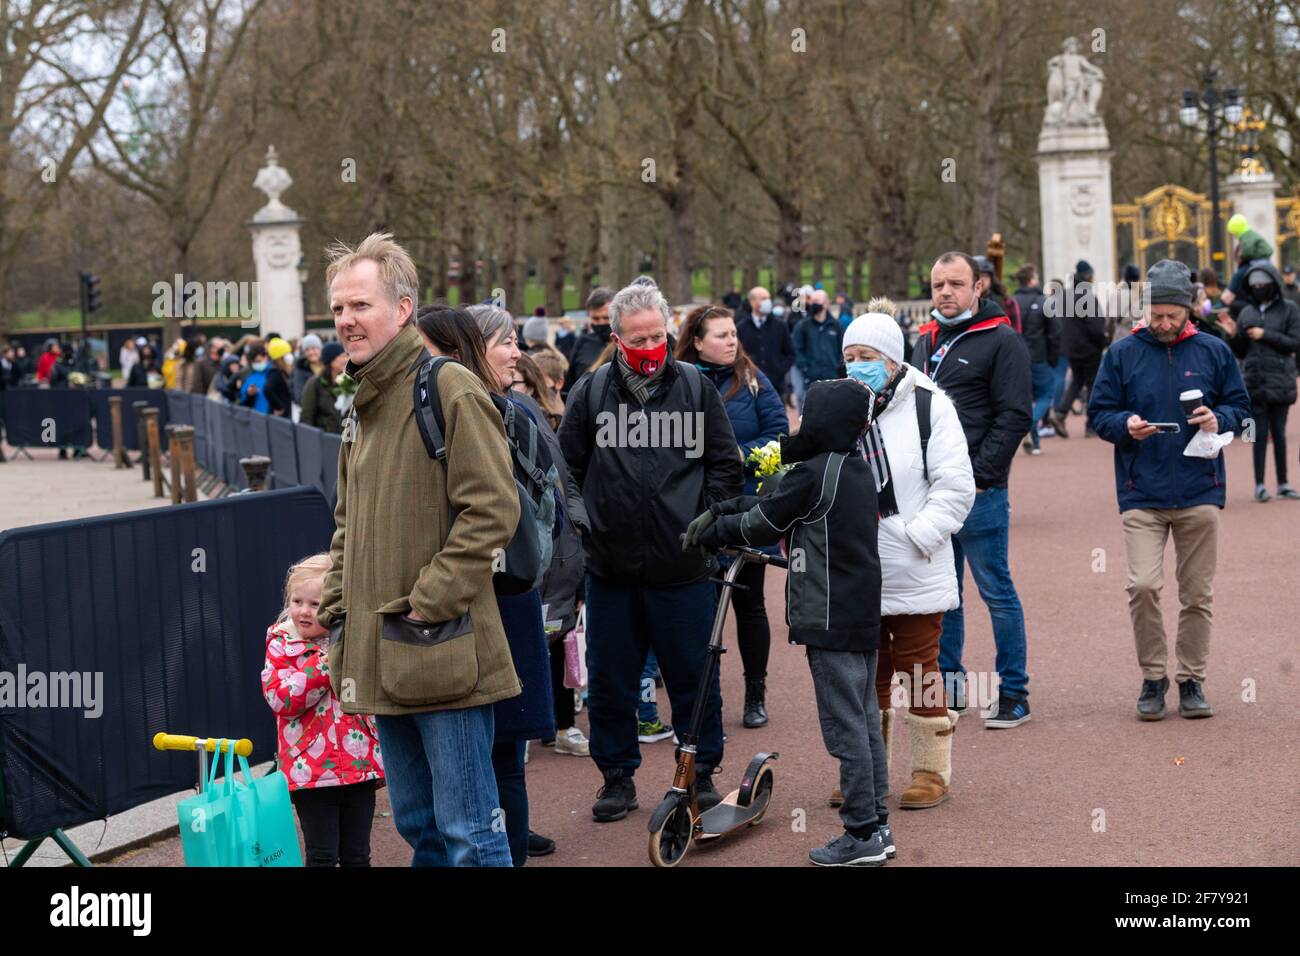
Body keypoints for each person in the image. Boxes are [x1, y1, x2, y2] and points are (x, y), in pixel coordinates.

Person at [316, 233, 521, 867]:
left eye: (361, 305)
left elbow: (492, 509)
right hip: (382, 649)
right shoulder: (363, 401)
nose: (347, 320)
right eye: (338, 309)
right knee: (417, 827)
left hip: (442, 645)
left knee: (469, 833)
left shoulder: (449, 385)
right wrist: (335, 607)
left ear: (403, 309)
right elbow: (348, 520)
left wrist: (428, 603)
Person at [558, 277, 743, 823]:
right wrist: (583, 523)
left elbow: (725, 463)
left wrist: (707, 524)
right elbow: (566, 468)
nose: (648, 349)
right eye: (636, 341)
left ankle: (700, 771)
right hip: (612, 569)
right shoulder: (590, 393)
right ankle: (616, 778)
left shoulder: (694, 386)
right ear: (615, 340)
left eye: (657, 337)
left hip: (682, 567)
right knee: (611, 678)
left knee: (694, 675)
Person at [686, 379, 893, 866]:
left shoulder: (818, 472)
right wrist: (724, 507)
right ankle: (877, 824)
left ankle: (861, 831)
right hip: (861, 612)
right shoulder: (855, 469)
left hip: (828, 615)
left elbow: (766, 519)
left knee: (845, 727)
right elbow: (778, 495)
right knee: (864, 722)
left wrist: (713, 531)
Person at [1087, 259, 1251, 720]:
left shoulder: (1214, 351)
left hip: (1201, 489)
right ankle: (1154, 676)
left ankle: (1192, 679)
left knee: (1197, 593)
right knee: (1142, 586)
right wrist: (1126, 425)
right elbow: (1100, 414)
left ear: (1189, 310)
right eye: (1155, 315)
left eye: (1171, 316)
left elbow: (1241, 407)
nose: (1162, 323)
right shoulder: (1121, 354)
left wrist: (1222, 419)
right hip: (1142, 490)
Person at [840, 303, 974, 808]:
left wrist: (917, 537)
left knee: (919, 666)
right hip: (856, 565)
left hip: (916, 562)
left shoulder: (930, 406)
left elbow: (956, 486)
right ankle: (866, 771)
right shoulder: (838, 405)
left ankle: (930, 773)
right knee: (864, 670)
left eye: (867, 356)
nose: (856, 366)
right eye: (849, 356)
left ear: (893, 360)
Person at [454, 302, 560, 864]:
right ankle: (506, 839)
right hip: (499, 592)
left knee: (501, 745)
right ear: (475, 348)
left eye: (517, 339)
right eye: (505, 341)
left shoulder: (511, 410)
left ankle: (509, 846)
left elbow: (545, 503)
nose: (517, 351)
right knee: (491, 747)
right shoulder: (481, 407)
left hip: (504, 592)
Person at [912, 251, 1033, 727]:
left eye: (956, 283)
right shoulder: (923, 341)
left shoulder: (1003, 340)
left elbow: (1014, 416)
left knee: (996, 591)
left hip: (980, 492)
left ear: (978, 287)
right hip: (931, 492)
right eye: (938, 283)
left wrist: (978, 475)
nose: (945, 291)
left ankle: (1014, 694)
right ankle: (952, 689)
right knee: (946, 593)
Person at [675, 304, 787, 728]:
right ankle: (706, 694)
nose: (731, 342)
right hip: (694, 511)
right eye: (720, 336)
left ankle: (755, 691)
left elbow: (778, 433)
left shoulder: (755, 382)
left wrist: (739, 455)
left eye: (733, 334)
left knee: (749, 604)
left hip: (744, 509)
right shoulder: (677, 381)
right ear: (698, 342)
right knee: (698, 609)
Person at [261, 553, 383, 866]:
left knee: (358, 854)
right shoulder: (281, 643)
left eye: (314, 604)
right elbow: (281, 699)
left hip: (359, 763)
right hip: (310, 771)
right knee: (322, 854)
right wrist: (325, 663)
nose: (303, 611)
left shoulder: (352, 638)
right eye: (296, 600)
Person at [1228, 261, 1300, 501]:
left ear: (1273, 284)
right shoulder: (1246, 312)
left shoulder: (1289, 309)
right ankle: (1259, 484)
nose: (1259, 288)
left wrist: (1264, 334)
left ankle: (1283, 482)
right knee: (1258, 434)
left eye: (1263, 284)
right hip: (1255, 381)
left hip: (1280, 379)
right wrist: (1233, 335)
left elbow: (1294, 342)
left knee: (1279, 432)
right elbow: (1240, 351)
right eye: (1254, 285)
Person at [1012, 264, 1059, 455]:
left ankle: (1036, 443)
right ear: (1032, 279)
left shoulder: (1012, 302)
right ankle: (1031, 425)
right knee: (1046, 395)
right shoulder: (1044, 302)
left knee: (1025, 398)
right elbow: (1056, 333)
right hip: (1038, 356)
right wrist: (1053, 358)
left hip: (1016, 357)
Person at [736, 285, 796, 402]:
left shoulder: (780, 326)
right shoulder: (741, 328)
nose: (768, 302)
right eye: (763, 298)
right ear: (752, 302)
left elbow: (790, 354)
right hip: (749, 387)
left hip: (776, 387)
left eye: (768, 298)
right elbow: (737, 355)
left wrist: (779, 370)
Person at [792, 289, 844, 406]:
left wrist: (838, 368)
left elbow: (843, 349)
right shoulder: (802, 326)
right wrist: (806, 368)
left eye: (816, 301)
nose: (812, 304)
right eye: (811, 301)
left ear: (826, 303)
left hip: (832, 379)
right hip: (811, 381)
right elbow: (796, 349)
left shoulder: (836, 325)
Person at [562, 287, 615, 397]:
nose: (601, 323)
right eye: (595, 318)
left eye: (606, 318)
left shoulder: (627, 344)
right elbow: (571, 381)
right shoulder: (583, 342)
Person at [300, 341, 347, 433]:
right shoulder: (314, 384)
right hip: (323, 441)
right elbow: (307, 417)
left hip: (344, 441)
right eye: (343, 356)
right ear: (332, 361)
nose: (346, 359)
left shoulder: (347, 382)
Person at [292, 333, 324, 405]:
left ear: (320, 349)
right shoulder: (301, 369)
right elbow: (299, 397)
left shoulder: (328, 364)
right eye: (307, 350)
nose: (311, 352)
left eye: (313, 348)